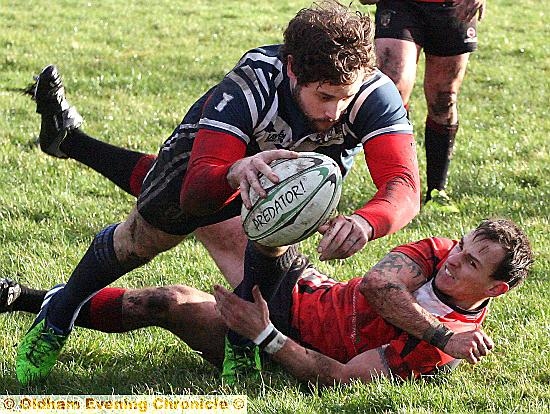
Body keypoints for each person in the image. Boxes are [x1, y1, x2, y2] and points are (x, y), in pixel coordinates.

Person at [17, 1, 421, 385]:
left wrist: (366, 223)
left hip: (281, 170)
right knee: (143, 239)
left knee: (275, 231)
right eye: (325, 97)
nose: (334, 113)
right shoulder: (252, 84)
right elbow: (197, 195)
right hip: (212, 160)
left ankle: (243, 342)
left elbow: (403, 185)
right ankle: (61, 309)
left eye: (344, 97)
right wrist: (235, 171)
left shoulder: (374, 95)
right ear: (294, 70)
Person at [3, 219, 533, 385]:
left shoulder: (436, 357)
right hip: (301, 284)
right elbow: (376, 286)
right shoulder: (439, 264)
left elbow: (337, 378)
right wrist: (439, 329)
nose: (452, 259)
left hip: (285, 343)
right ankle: (73, 142)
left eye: (470, 264)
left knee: (166, 301)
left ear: (494, 290)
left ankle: (20, 299)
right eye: (460, 247)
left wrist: (264, 334)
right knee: (208, 202)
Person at [360, 0, 486, 211]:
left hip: (452, 6)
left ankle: (436, 191)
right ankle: (397, 187)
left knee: (443, 99)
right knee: (393, 88)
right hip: (402, 5)